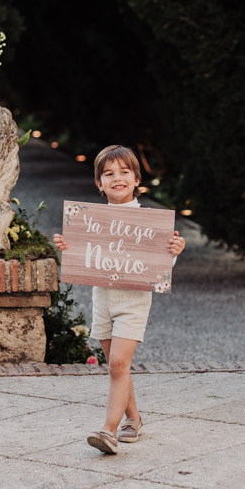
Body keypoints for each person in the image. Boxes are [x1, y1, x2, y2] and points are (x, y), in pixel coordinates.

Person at [52, 145, 185, 454]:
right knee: (117, 367)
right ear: (99, 183)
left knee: (118, 363)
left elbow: (158, 265)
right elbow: (83, 257)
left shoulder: (149, 221)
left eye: (124, 172)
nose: (117, 178)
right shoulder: (89, 221)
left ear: (136, 178)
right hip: (103, 300)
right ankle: (134, 419)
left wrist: (172, 253)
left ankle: (108, 430)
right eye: (109, 174)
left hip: (133, 302)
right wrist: (67, 247)